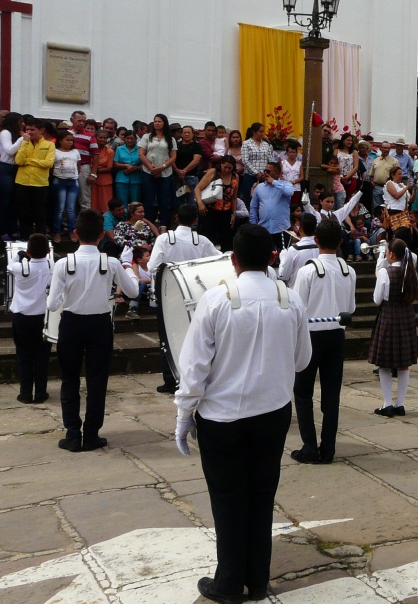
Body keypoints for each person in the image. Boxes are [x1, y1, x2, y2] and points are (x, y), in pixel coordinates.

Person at [174, 223, 310, 603]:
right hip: (272, 413)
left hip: (223, 419)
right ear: (272, 258)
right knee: (262, 494)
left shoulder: (216, 301)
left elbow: (194, 367)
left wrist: (184, 414)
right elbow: (302, 361)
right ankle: (258, 578)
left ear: (232, 261)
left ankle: (230, 582)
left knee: (228, 498)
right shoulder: (291, 299)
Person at [48, 210, 139, 452]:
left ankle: (72, 434)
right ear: (101, 235)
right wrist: (128, 266)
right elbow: (133, 292)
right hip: (99, 325)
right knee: (97, 381)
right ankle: (91, 435)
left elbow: (52, 305)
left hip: (71, 324)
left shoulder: (63, 264)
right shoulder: (110, 262)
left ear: (75, 234)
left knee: (69, 380)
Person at [290, 219, 357, 465]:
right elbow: (349, 309)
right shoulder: (349, 271)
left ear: (315, 240)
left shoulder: (307, 271)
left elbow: (296, 309)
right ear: (340, 242)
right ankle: (328, 448)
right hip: (336, 336)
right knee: (331, 394)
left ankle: (309, 447)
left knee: (303, 392)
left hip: (310, 336)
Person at [148, 203, 220, 391]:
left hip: (167, 295)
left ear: (176, 219)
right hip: (193, 294)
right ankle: (195, 378)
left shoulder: (164, 239)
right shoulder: (201, 241)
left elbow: (152, 266)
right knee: (196, 336)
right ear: (195, 221)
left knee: (167, 337)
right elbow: (218, 260)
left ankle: (171, 380)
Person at [368, 238, 418, 417]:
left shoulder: (385, 272)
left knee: (384, 363)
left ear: (390, 253)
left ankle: (387, 403)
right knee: (403, 363)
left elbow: (377, 299)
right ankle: (400, 404)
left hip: (389, 316)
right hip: (406, 316)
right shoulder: (411, 272)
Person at [8, 233, 53, 402]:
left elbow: (10, 265)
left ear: (28, 252)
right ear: (49, 251)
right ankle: (41, 392)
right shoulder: (52, 266)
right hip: (44, 317)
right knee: (43, 356)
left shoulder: (20, 268)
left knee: (24, 355)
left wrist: (19, 256)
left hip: (22, 318)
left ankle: (25, 393)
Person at [14, 118, 56, 240]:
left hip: (40, 183)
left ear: (41, 130)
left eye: (32, 129)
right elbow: (18, 161)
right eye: (27, 129)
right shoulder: (24, 143)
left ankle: (40, 240)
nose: (29, 132)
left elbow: (49, 163)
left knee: (39, 214)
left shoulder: (49, 145)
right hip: (22, 182)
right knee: (23, 213)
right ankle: (24, 239)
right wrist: (25, 143)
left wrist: (29, 161)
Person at [138, 114, 178, 228]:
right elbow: (141, 154)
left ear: (164, 123)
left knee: (164, 201)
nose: (156, 123)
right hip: (148, 171)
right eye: (155, 121)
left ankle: (164, 225)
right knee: (148, 200)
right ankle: (148, 225)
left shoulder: (171, 139)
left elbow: (173, 157)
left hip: (165, 172)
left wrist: (162, 167)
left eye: (159, 121)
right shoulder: (147, 137)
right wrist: (151, 168)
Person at [249, 161, 294, 246]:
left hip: (282, 229)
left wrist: (274, 182)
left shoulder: (286, 184)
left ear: (277, 173)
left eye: (268, 171)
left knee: (282, 256)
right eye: (264, 171)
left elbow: (290, 192)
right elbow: (253, 207)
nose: (265, 173)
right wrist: (254, 225)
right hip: (264, 228)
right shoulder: (259, 187)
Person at [0, 112, 23, 240]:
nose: (22, 124)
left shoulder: (17, 134)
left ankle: (13, 229)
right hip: (5, 168)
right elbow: (9, 150)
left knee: (14, 201)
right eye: (20, 121)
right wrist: (23, 139)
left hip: (16, 169)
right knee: (4, 201)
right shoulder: (5, 132)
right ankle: (3, 230)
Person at [51, 131, 80, 242]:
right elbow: (51, 167)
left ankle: (71, 232)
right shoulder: (55, 151)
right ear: (60, 140)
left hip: (73, 182)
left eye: (71, 140)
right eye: (67, 140)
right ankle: (57, 232)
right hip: (60, 182)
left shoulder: (75, 152)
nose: (69, 142)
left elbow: (78, 166)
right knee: (60, 208)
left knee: (71, 209)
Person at [68, 111, 99, 212]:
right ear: (72, 120)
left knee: (85, 198)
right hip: (68, 167)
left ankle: (85, 224)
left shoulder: (90, 135)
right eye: (79, 120)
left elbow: (95, 156)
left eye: (83, 121)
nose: (81, 123)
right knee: (68, 198)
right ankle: (66, 225)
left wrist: (93, 174)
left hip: (84, 167)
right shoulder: (66, 134)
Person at [278, 213, 320, 286]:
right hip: (317, 290)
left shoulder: (293, 250)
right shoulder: (322, 247)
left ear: (300, 229)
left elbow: (283, 276)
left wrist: (283, 259)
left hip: (297, 290)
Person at [241, 123, 273, 207]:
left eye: (263, 132)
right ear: (254, 132)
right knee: (250, 200)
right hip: (250, 176)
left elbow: (270, 160)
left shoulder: (266, 145)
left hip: (264, 176)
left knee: (264, 200)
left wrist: (266, 173)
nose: (262, 134)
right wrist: (256, 173)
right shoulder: (246, 144)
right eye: (260, 131)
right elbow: (245, 160)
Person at [173, 124, 203, 209]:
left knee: (191, 202)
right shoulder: (176, 145)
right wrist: (177, 171)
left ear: (193, 134)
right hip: (177, 177)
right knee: (178, 202)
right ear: (181, 134)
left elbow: (196, 160)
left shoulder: (196, 146)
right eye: (184, 132)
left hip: (191, 177)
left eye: (189, 132)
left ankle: (193, 222)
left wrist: (184, 171)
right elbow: (172, 158)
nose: (186, 134)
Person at [113, 129, 143, 207]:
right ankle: (123, 218)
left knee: (135, 203)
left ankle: (135, 219)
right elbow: (115, 163)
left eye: (132, 138)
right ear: (124, 139)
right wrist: (125, 166)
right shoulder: (119, 149)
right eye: (127, 138)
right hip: (121, 178)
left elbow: (144, 164)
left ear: (136, 139)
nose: (129, 140)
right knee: (122, 203)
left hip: (136, 179)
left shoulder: (140, 149)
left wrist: (134, 169)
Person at [369, 140, 400, 211]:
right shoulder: (375, 160)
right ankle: (376, 222)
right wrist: (372, 182)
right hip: (377, 187)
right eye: (385, 148)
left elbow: (398, 176)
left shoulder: (394, 161)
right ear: (380, 148)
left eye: (388, 148)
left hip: (389, 188)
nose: (387, 150)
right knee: (376, 209)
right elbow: (371, 174)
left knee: (388, 208)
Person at [91, 127, 115, 213]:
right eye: (100, 137)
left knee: (105, 204)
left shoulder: (110, 151)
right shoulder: (90, 150)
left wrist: (95, 170)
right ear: (95, 138)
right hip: (92, 180)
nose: (102, 139)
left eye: (104, 138)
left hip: (105, 180)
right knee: (93, 203)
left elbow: (109, 167)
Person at [126, 246, 152, 319]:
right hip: (140, 291)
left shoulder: (152, 266)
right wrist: (151, 281)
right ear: (139, 260)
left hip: (151, 291)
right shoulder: (136, 266)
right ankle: (132, 308)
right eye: (147, 256)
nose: (150, 257)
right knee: (141, 284)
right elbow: (137, 279)